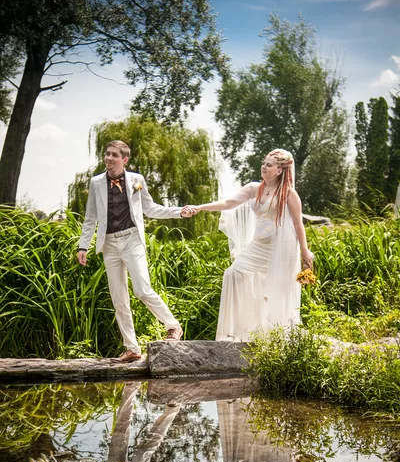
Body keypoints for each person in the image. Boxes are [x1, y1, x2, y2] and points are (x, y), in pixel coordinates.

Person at [77, 140, 194, 362]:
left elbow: (151, 208)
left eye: (114, 155)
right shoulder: (96, 183)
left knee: (142, 289)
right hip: (108, 244)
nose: (109, 158)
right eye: (107, 154)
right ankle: (132, 348)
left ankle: (173, 326)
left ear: (124, 160)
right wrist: (83, 246)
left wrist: (179, 212)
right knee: (118, 298)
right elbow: (90, 217)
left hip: (132, 240)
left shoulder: (136, 180)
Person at [182, 148, 313, 341]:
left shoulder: (289, 194)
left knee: (276, 291)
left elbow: (297, 223)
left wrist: (305, 250)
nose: (264, 167)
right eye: (264, 163)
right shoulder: (254, 188)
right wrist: (200, 208)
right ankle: (242, 330)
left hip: (281, 249)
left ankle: (277, 335)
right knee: (233, 274)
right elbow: (228, 203)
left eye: (269, 165)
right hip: (258, 246)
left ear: (279, 170)